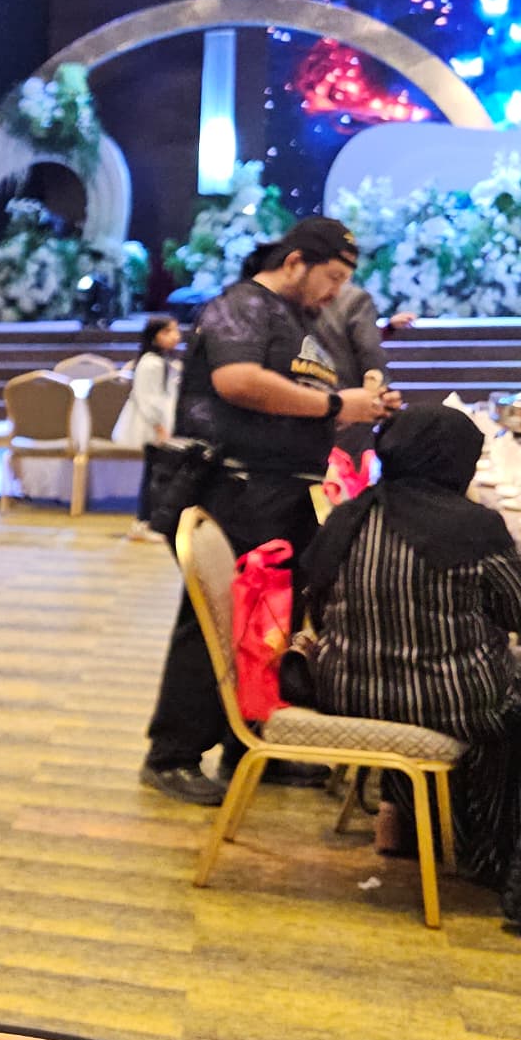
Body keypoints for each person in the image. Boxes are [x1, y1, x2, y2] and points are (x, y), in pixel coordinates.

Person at [140, 217, 399, 805]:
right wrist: (334, 403)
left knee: (269, 625)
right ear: (295, 262)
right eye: (332, 277)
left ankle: (251, 744)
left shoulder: (300, 321)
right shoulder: (243, 305)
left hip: (284, 491)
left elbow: (305, 401)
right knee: (214, 620)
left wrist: (360, 406)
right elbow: (237, 381)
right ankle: (172, 753)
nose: (336, 292)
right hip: (237, 487)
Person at [303, 406, 521, 891]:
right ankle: (490, 851)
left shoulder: (349, 515)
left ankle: (400, 817)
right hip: (447, 703)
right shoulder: (474, 527)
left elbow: (314, 598)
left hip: (344, 694)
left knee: (420, 666)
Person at [315, 280, 418, 459]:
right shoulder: (353, 298)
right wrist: (381, 396)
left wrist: (388, 328)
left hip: (303, 408)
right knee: (346, 467)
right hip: (349, 404)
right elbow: (368, 349)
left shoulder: (286, 298)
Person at [118, 315, 184, 542]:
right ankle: (144, 521)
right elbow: (147, 398)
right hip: (152, 426)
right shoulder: (151, 363)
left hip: (160, 424)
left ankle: (151, 521)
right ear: (155, 336)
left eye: (176, 331)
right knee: (153, 475)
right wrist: (159, 426)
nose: (175, 336)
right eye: (168, 331)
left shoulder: (164, 361)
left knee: (156, 473)